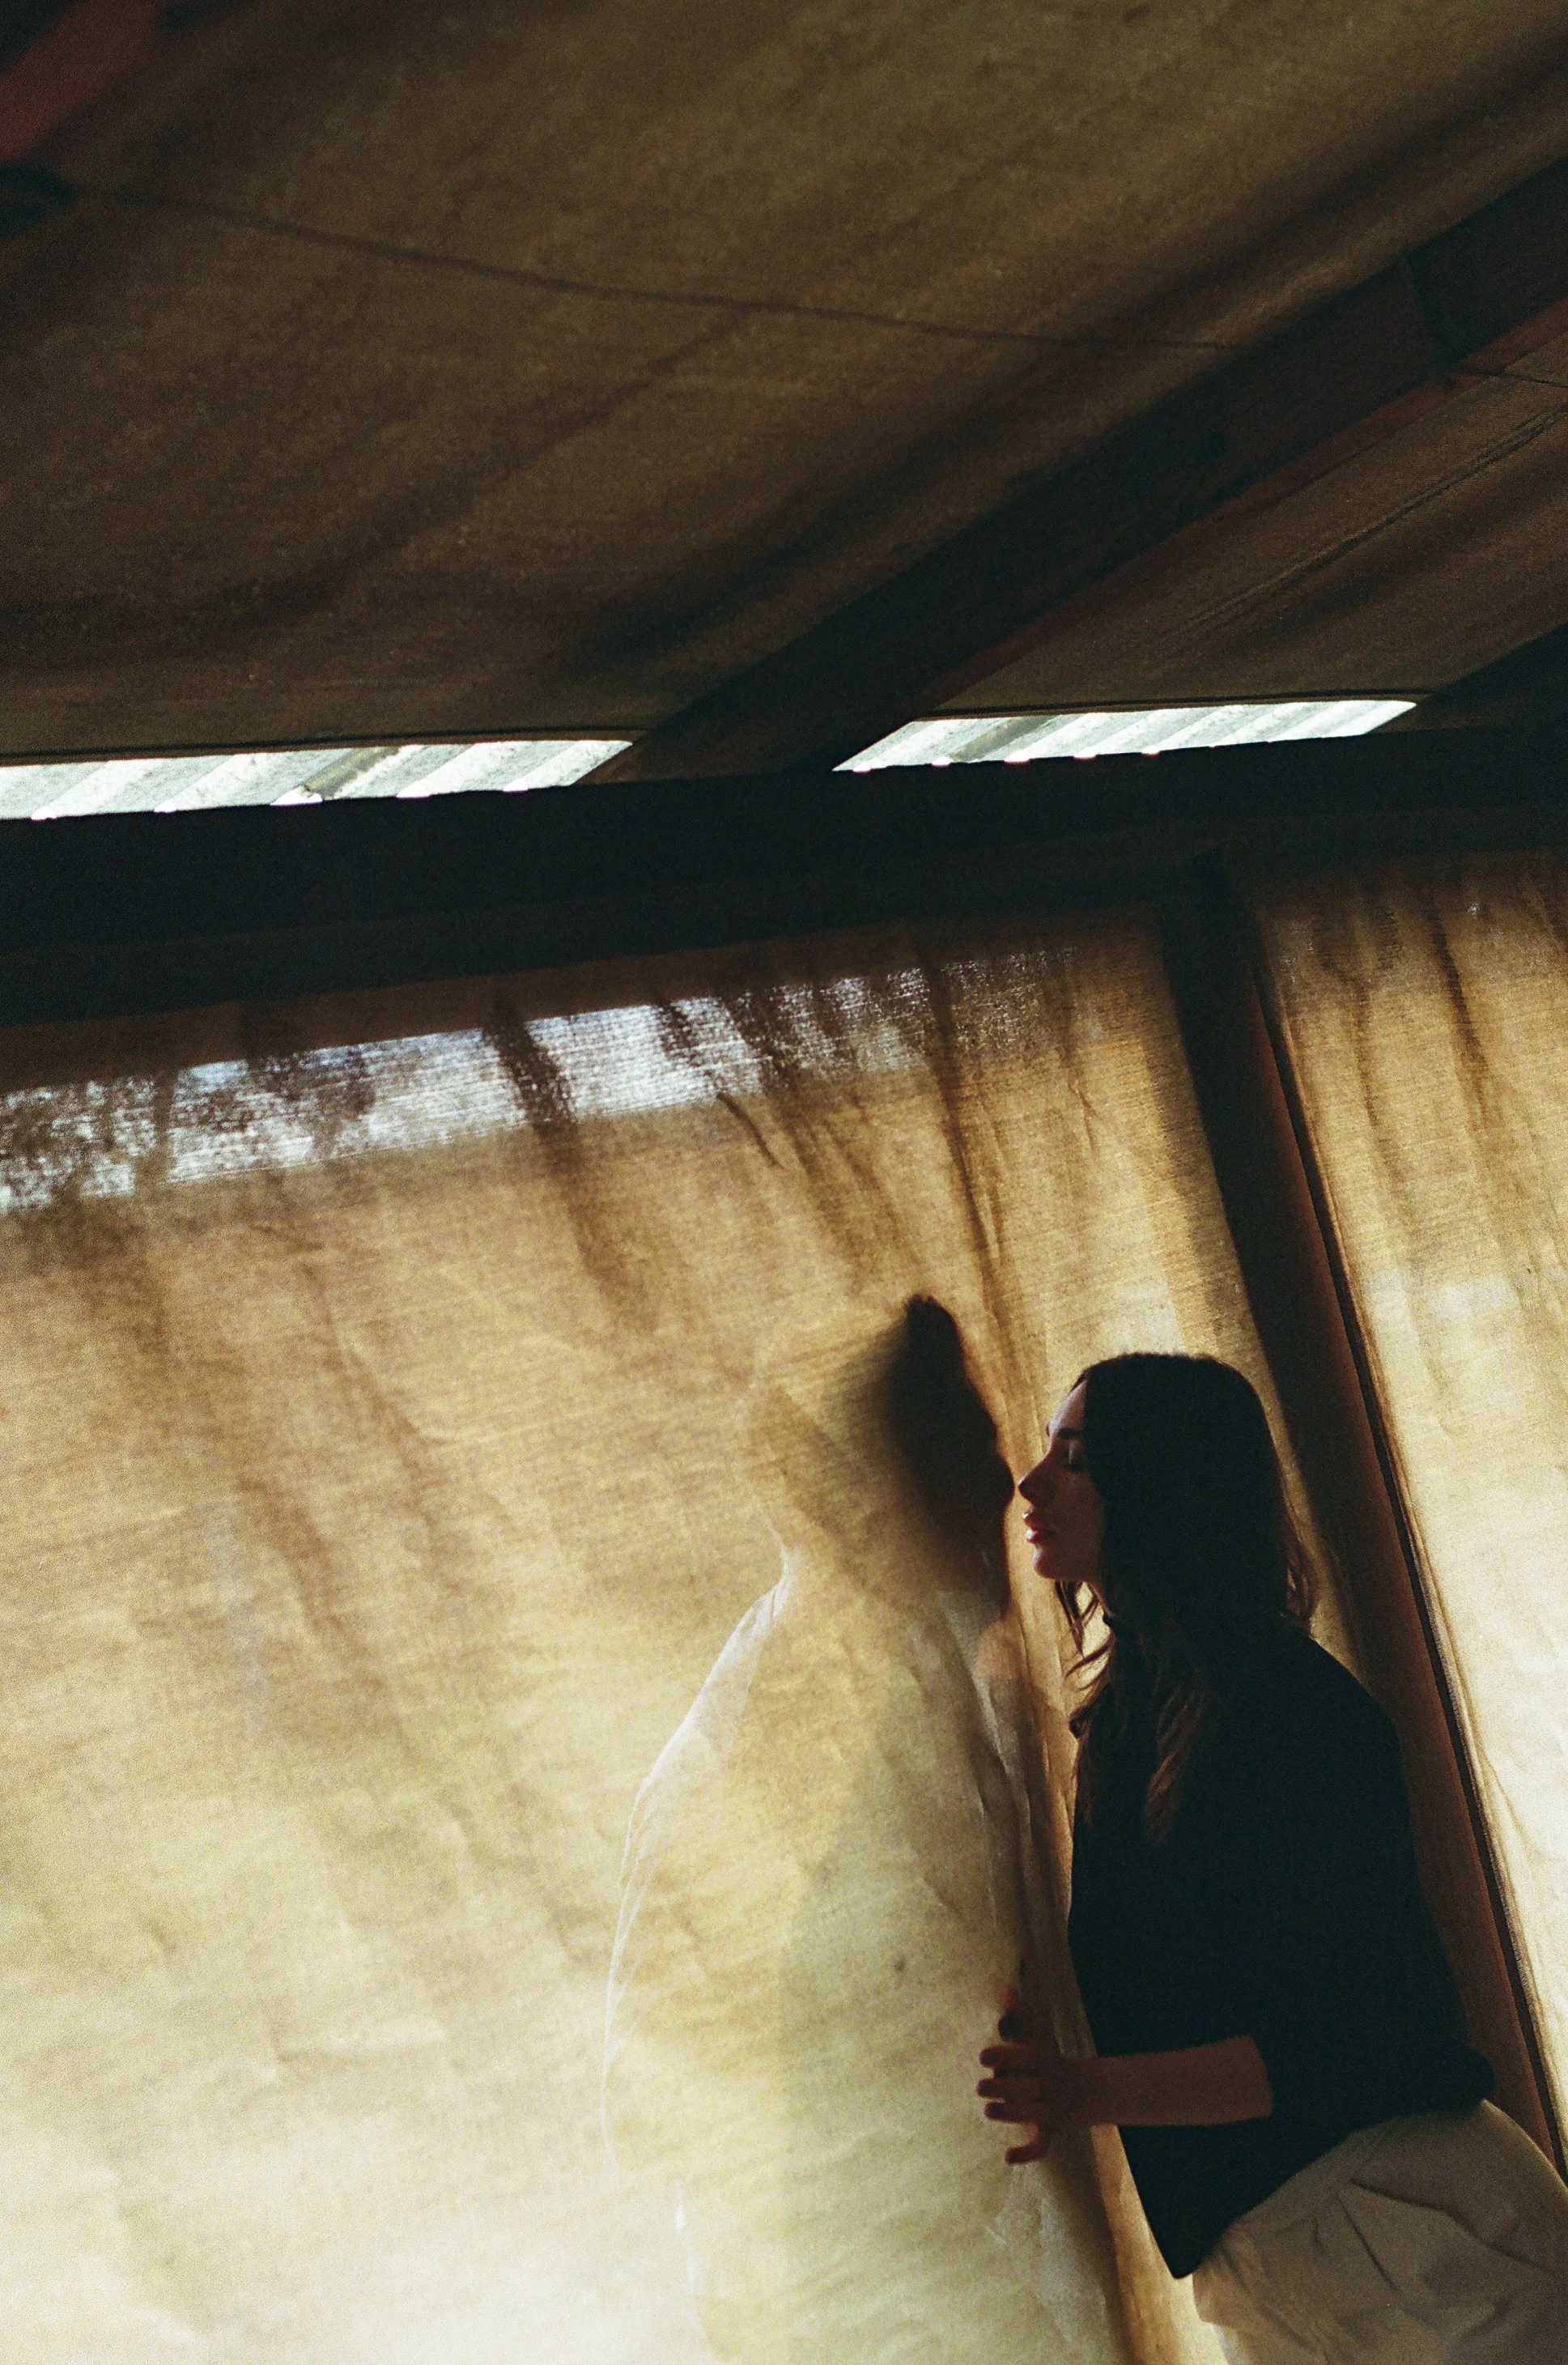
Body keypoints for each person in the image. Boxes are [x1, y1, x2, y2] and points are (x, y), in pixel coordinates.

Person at [978, 1351, 1568, 2362]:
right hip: (1266, 2265)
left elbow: (1334, 2042)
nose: (1028, 1484)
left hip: (1410, 2230)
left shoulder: (1293, 1714)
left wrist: (1081, 2089)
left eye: (1070, 1458)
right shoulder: (1122, 1727)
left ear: (1154, 1483)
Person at [604, 1299, 1133, 2363]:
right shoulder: (777, 1740)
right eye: (968, 1446)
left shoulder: (927, 1676)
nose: (1003, 1484)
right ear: (864, 1496)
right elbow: (673, 2095)